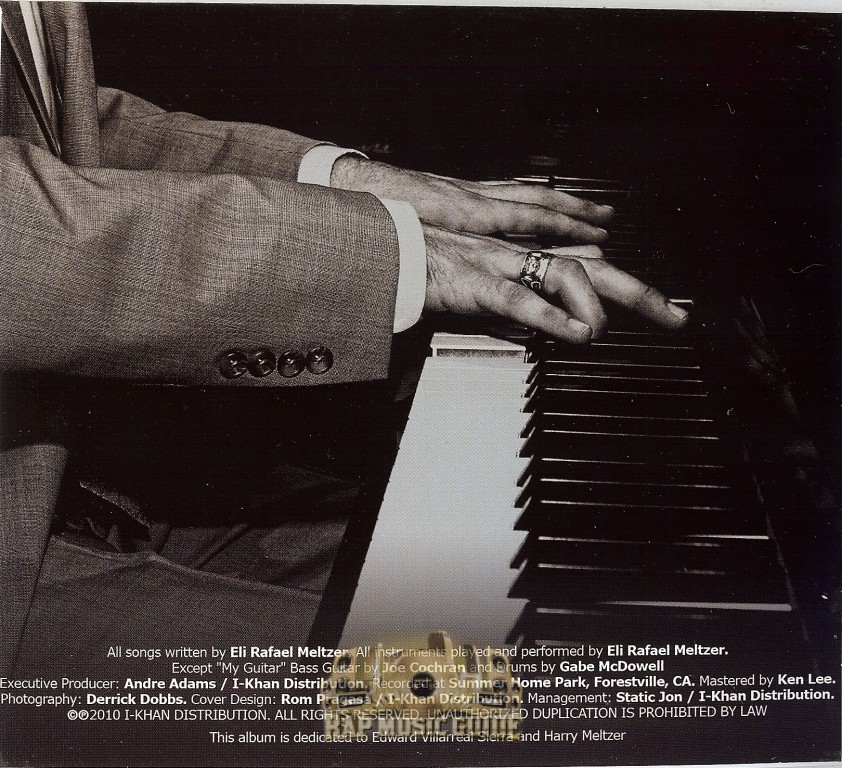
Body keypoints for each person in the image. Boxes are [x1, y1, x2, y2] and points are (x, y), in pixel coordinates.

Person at [0, 2, 688, 678]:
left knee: (541, 580)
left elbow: (70, 122)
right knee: (493, 687)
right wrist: (397, 253)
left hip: (68, 488)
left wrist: (353, 182)